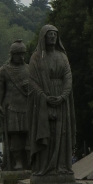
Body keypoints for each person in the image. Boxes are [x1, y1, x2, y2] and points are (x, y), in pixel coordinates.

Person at [27, 25, 76, 176]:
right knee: (47, 131)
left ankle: (61, 165)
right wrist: (43, 96)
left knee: (61, 132)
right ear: (44, 37)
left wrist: (63, 96)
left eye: (55, 34)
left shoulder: (62, 56)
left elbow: (68, 77)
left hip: (61, 98)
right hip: (43, 99)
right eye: (50, 34)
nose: (53, 37)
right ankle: (44, 166)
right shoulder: (36, 57)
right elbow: (32, 80)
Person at [0, 40, 32, 171]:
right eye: (18, 54)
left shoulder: (30, 69)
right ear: (12, 55)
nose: (21, 57)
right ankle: (18, 162)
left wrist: (31, 87)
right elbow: (0, 89)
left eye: (23, 54)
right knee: (15, 136)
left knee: (28, 135)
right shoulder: (4, 70)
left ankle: (29, 161)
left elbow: (38, 89)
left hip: (27, 106)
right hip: (11, 106)